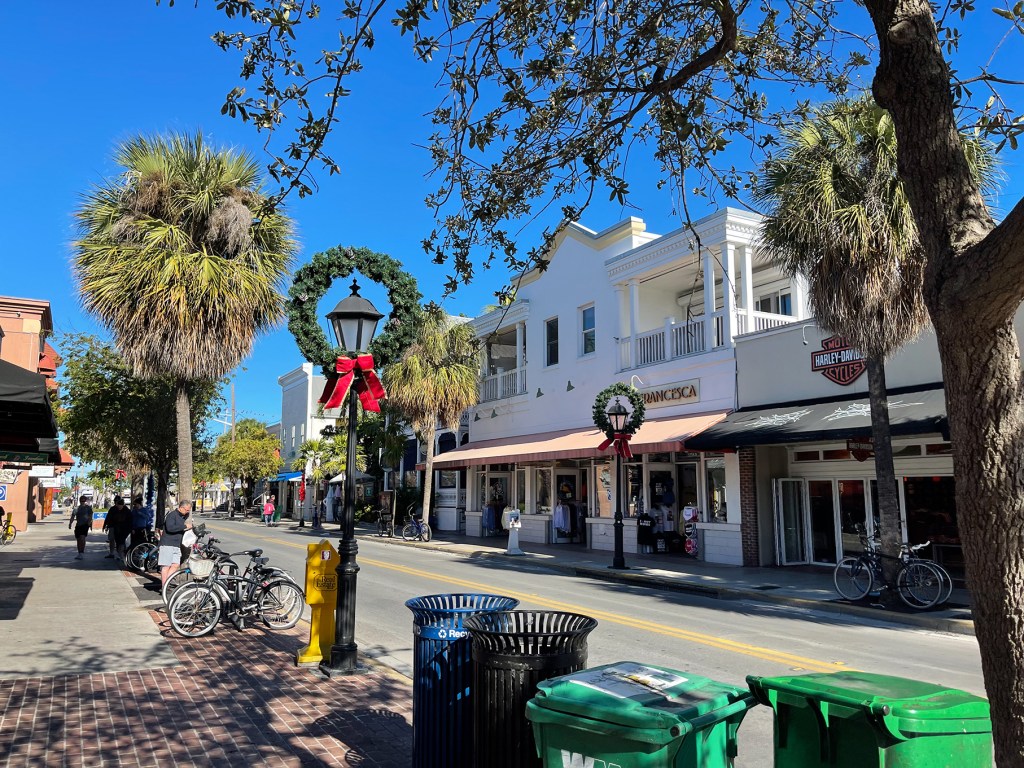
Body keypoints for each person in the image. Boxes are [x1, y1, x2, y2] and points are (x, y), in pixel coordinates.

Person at [159, 499, 193, 586]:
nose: (187, 512)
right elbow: (170, 528)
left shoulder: (182, 516)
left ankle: (167, 583)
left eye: (189, 510)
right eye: (187, 510)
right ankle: (164, 586)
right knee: (166, 566)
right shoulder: (172, 515)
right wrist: (184, 526)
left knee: (175, 565)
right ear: (181, 507)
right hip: (167, 543)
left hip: (176, 544)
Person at [103, 496, 133, 560]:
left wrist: (130, 528)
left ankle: (122, 554)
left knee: (121, 541)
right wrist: (105, 526)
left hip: (123, 528)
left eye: (117, 502)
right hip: (114, 527)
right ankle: (114, 553)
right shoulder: (113, 509)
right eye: (115, 501)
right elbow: (108, 517)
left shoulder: (126, 510)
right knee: (114, 540)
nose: (116, 504)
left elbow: (130, 520)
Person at [69, 495, 93, 560]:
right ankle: (79, 553)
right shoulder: (76, 508)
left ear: (85, 501)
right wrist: (70, 523)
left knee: (82, 538)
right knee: (78, 539)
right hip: (78, 525)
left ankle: (82, 552)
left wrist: (89, 523)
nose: (82, 502)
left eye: (84, 501)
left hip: (85, 525)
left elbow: (90, 516)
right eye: (81, 501)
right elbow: (73, 516)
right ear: (80, 501)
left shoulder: (88, 508)